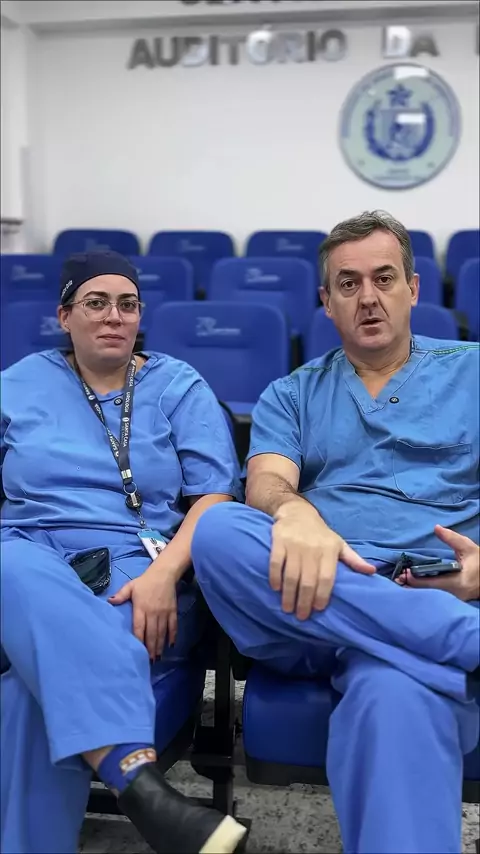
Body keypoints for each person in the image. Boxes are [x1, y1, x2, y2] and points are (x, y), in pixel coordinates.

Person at [191, 211, 480, 854]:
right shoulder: (291, 394)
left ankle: (424, 636)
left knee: (395, 691)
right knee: (218, 529)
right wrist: (295, 513)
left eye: (384, 278)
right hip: (315, 593)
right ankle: (462, 641)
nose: (367, 297)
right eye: (348, 284)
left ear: (413, 288)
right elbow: (268, 481)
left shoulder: (473, 374)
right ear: (326, 302)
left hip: (441, 583)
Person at [0, 250, 247, 854]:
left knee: (29, 690)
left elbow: (215, 497)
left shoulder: (177, 385)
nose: (114, 316)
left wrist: (166, 575)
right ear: (65, 315)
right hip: (27, 551)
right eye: (96, 303)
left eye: (127, 304)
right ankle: (138, 783)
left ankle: (130, 788)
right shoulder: (19, 384)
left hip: (138, 562)